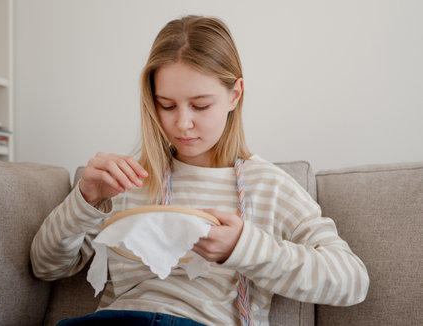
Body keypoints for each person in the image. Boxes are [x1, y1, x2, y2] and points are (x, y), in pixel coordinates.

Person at [30, 15, 369, 326]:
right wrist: (86, 199)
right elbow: (45, 266)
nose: (183, 123)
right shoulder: (127, 180)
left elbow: (352, 280)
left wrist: (243, 248)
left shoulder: (269, 187)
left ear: (235, 94)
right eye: (167, 105)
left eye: (200, 105)